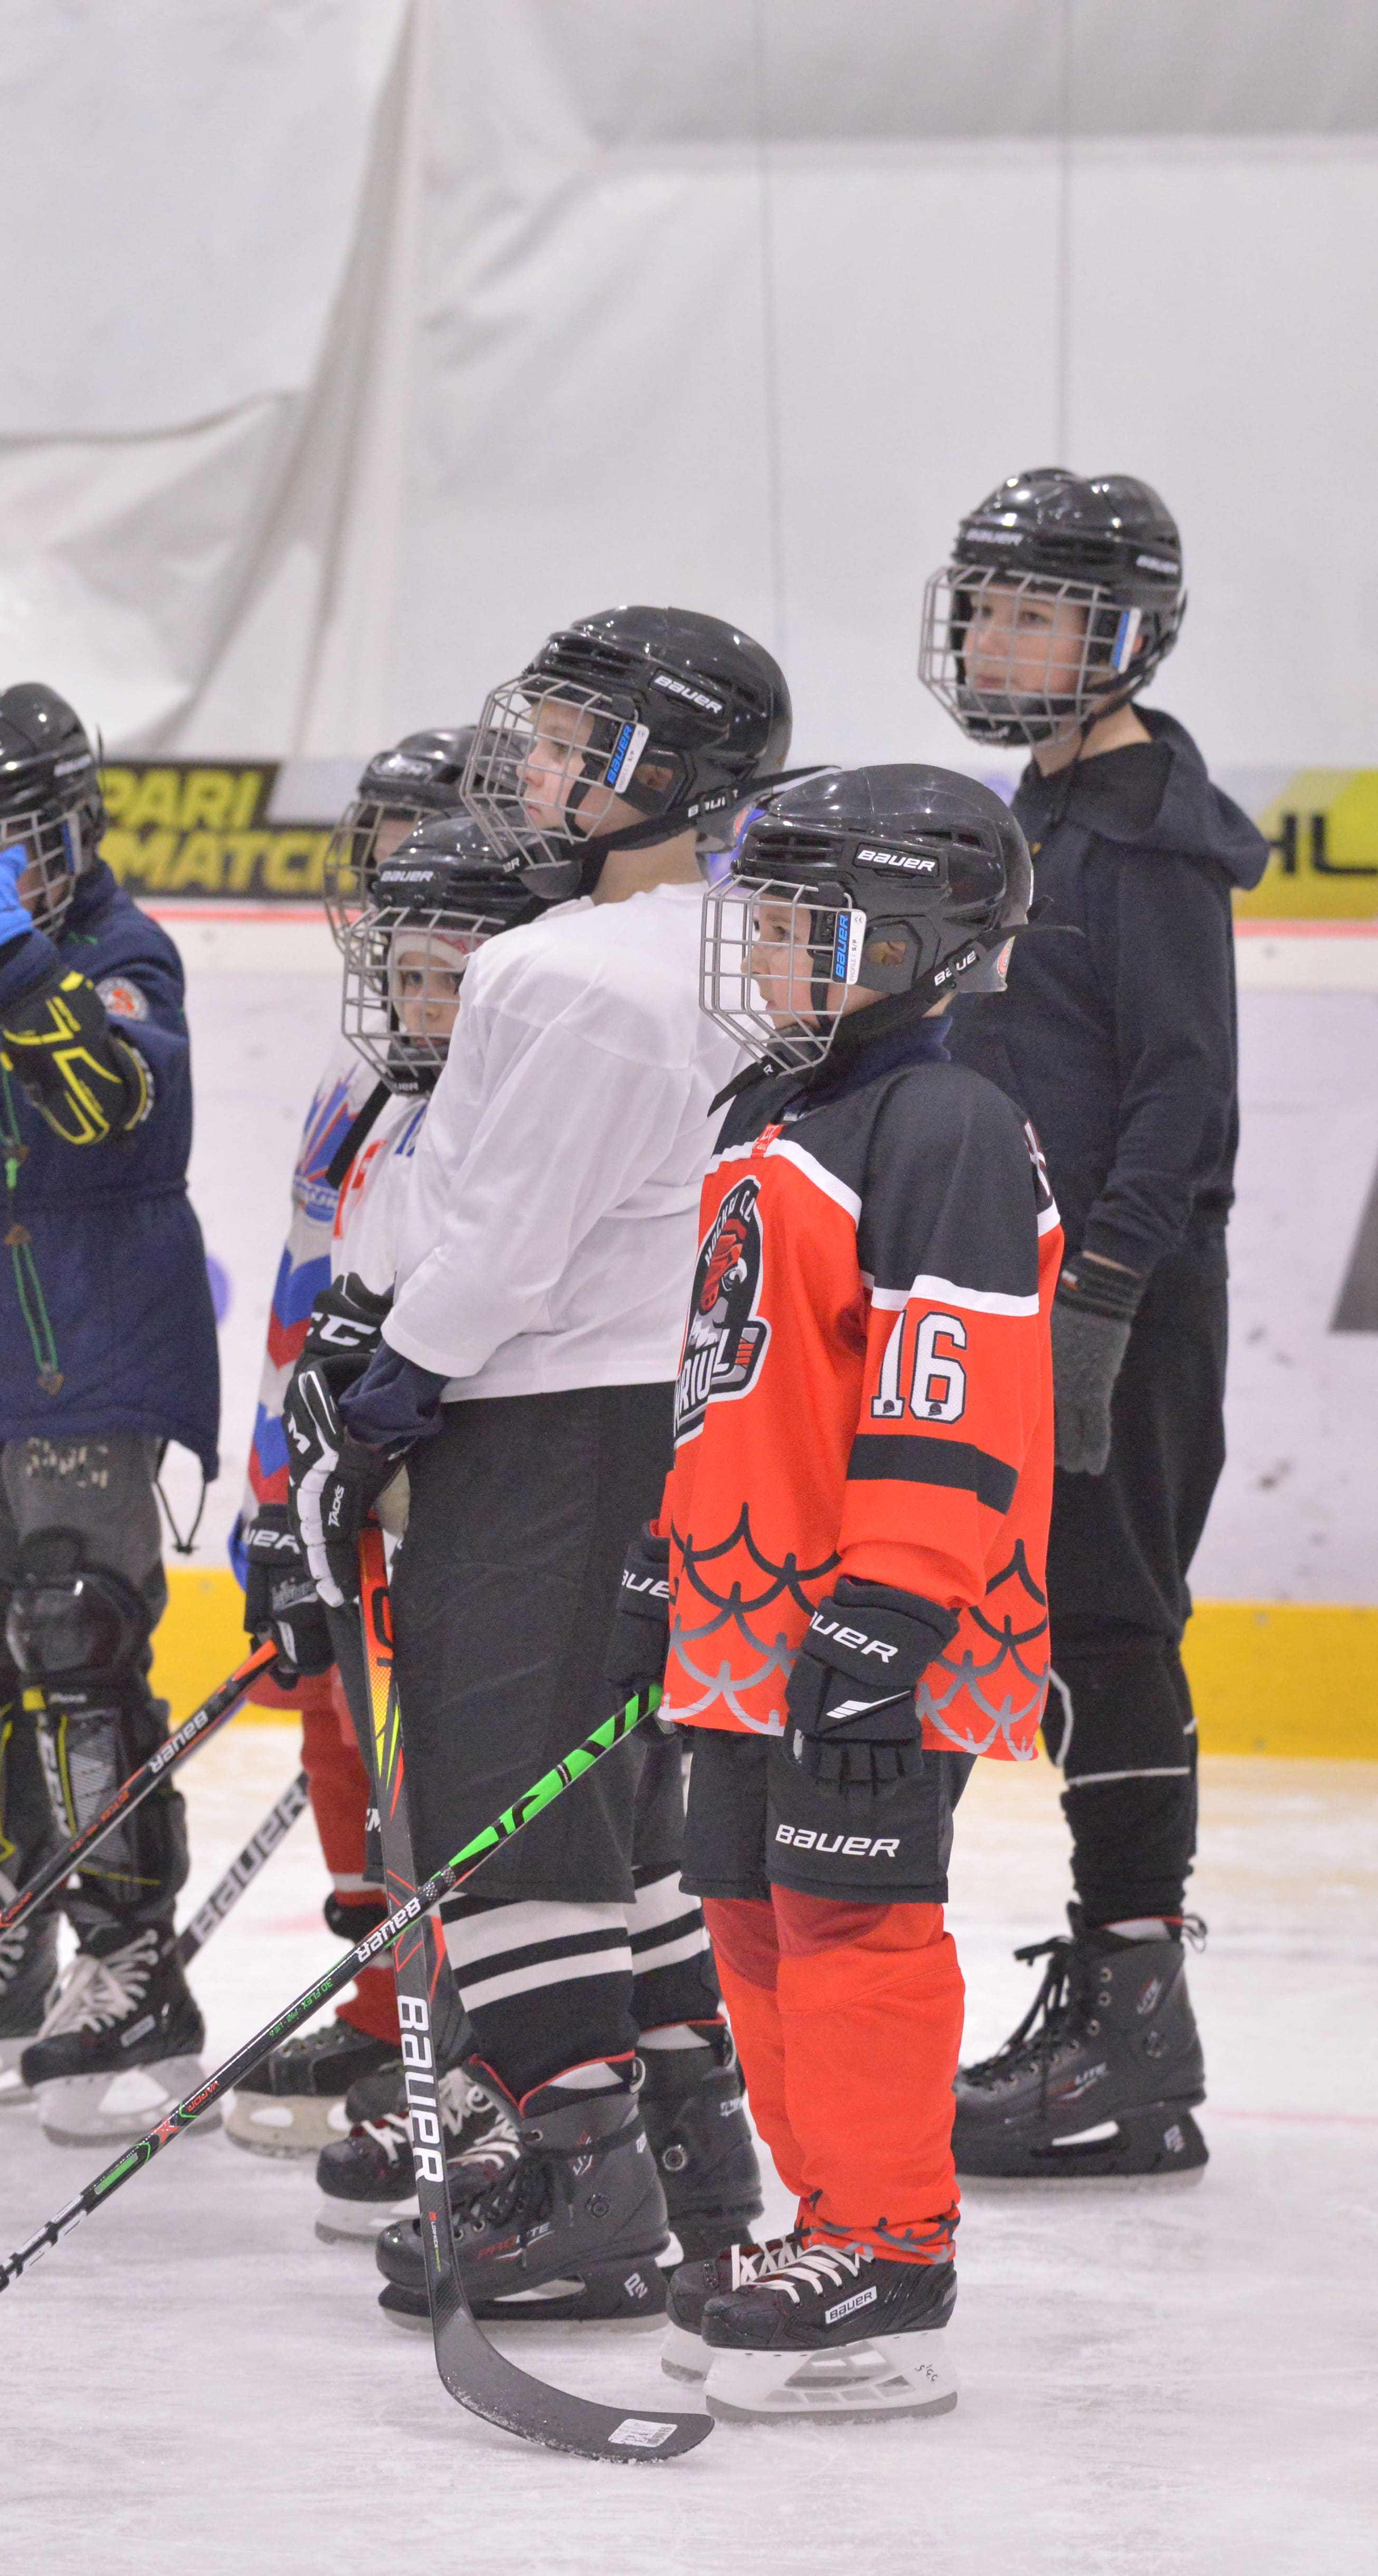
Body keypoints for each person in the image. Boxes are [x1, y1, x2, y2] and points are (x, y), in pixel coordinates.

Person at [284, 607, 780, 2327]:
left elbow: (506, 1235)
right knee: (605, 1802)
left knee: (498, 1800)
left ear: (675, 767)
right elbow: (478, 1189)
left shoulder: (568, 970)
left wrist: (387, 1371)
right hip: (663, 1423)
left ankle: (581, 2179)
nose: (540, 762)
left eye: (579, 738)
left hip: (549, 1423)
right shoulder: (723, 947)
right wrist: (369, 1314)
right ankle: (697, 2150)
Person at [652, 762, 1051, 2421]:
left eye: (810, 930)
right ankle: (822, 2219)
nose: (772, 957)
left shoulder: (942, 1124)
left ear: (918, 946)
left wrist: (894, 1602)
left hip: (874, 1618)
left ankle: (892, 2239)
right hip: (754, 1621)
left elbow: (952, 1378)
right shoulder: (770, 1112)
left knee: (856, 1914)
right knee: (745, 1906)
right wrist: (661, 1551)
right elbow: (740, 1376)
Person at [925, 470, 1261, 2187]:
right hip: (1022, 1291)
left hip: (1115, 1305)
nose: (996, 638)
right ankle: (1116, 2016)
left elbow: (1182, 1099)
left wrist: (1106, 1301)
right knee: (1059, 1640)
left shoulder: (1143, 835)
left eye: (1034, 611)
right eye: (985, 607)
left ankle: (1136, 2030)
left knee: (1116, 1631)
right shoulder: (1037, 812)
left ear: (1121, 636)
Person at [0, 682, 218, 2146]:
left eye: (18, 847)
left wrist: (15, 955)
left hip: (86, 1360)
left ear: (75, 832)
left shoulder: (115, 953)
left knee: (74, 1641)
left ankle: (132, 1960)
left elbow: (114, 1108)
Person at [222, 727, 469, 2158]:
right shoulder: (364, 1031)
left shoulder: (469, 1049)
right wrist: (278, 1466)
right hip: (310, 1449)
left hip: (396, 1466)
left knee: (412, 1755)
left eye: (412, 842)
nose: (383, 874)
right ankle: (384, 2012)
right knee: (336, 1736)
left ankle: (449, 2031)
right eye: (370, 839)